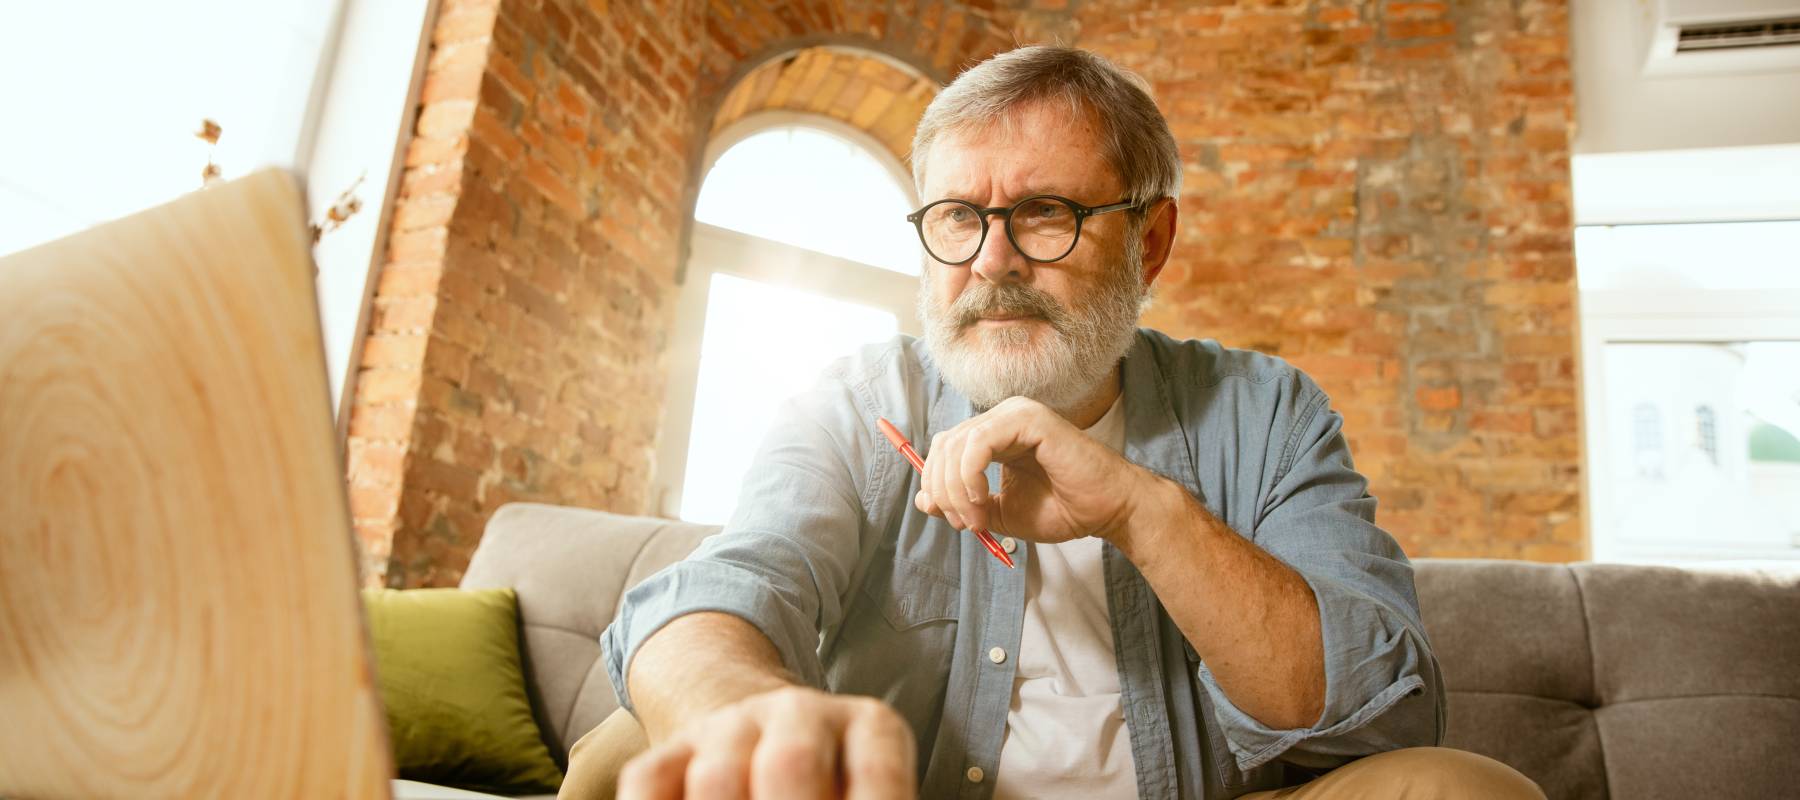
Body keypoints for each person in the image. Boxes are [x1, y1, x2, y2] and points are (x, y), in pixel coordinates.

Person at [563, 45, 1544, 800]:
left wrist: (1140, 509)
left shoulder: (1267, 409)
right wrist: (750, 714)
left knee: (1466, 791)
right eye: (957, 215)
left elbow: (1380, 712)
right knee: (626, 748)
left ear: (1149, 241)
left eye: (1042, 213)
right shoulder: (863, 397)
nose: (990, 261)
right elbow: (730, 588)